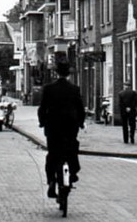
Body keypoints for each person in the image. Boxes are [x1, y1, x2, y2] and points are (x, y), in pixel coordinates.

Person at [38, 60, 85, 199]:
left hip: (53, 128)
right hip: (70, 127)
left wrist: (42, 122)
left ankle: (51, 181)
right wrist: (80, 123)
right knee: (71, 150)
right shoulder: (74, 89)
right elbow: (80, 109)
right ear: (68, 74)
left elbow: (42, 108)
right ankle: (73, 173)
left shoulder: (48, 88)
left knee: (52, 154)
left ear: (56, 73)